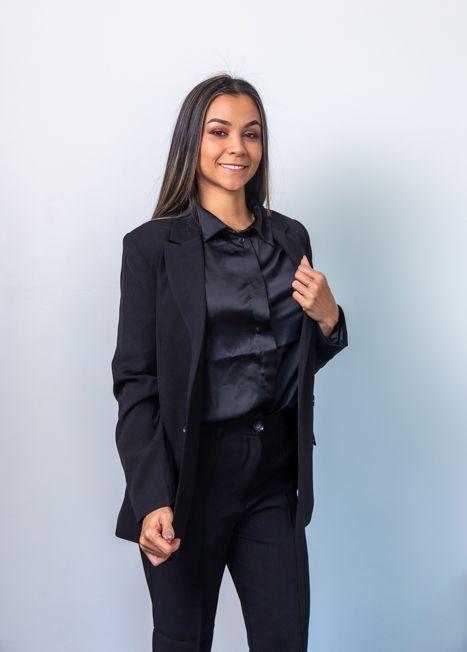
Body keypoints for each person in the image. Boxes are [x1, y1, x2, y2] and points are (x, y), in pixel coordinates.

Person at [111, 73, 349, 651]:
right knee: (183, 640)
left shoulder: (291, 238)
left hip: (273, 473)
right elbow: (137, 383)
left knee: (284, 639)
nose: (236, 147)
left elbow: (284, 364)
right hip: (189, 476)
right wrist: (152, 496)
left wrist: (330, 320)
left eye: (251, 133)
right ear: (192, 140)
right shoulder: (151, 249)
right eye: (219, 132)